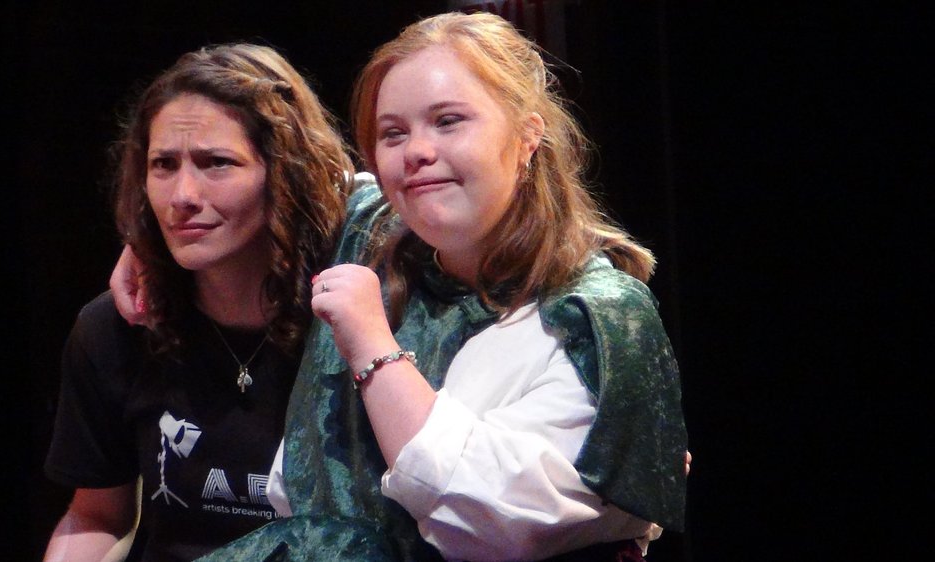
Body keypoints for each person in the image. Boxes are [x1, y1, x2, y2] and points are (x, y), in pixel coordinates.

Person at [115, 12, 687, 562]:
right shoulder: (376, 231)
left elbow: (491, 528)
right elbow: (288, 181)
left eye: (448, 121)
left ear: (527, 135)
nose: (416, 151)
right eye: (392, 132)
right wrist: (151, 241)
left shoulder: (597, 317)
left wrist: (372, 344)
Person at [42, 43, 353, 562]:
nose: (182, 194)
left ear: (285, 173)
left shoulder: (353, 317)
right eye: (164, 164)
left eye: (216, 163)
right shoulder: (116, 325)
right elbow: (96, 515)